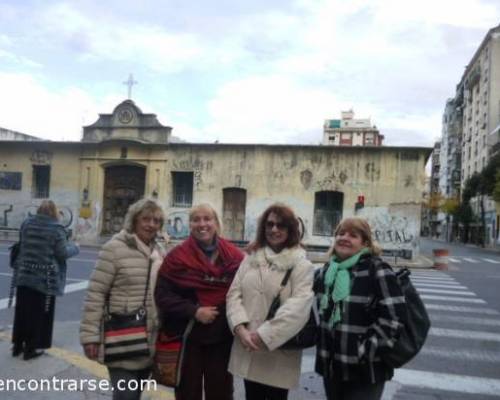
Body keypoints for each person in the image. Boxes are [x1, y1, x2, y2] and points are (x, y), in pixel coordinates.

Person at [155, 203, 244, 400]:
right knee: (188, 393)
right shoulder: (176, 257)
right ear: (190, 224)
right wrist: (194, 311)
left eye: (207, 219)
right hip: (187, 338)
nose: (202, 224)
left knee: (220, 393)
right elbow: (162, 296)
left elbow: (244, 293)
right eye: (196, 219)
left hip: (221, 339)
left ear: (216, 223)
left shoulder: (234, 257)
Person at [80, 198, 166, 400]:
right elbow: (96, 293)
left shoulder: (159, 252)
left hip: (149, 340)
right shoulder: (114, 248)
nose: (151, 224)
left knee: (135, 394)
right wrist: (90, 337)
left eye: (156, 221)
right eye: (146, 219)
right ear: (134, 220)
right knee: (125, 395)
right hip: (121, 336)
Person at [226, 203, 314, 400]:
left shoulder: (301, 264)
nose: (274, 229)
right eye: (270, 224)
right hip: (247, 345)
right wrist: (240, 328)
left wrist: (262, 335)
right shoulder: (250, 259)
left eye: (281, 225)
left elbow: (298, 308)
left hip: (277, 351)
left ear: (291, 230)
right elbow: (233, 294)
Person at [315, 217, 407, 400]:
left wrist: (363, 351)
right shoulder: (327, 271)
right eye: (341, 233)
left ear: (365, 242)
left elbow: (394, 320)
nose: (344, 238)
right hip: (332, 368)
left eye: (353, 235)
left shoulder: (377, 269)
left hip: (366, 371)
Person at [11, 200, 79, 360]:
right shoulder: (56, 229)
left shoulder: (27, 224)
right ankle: (31, 349)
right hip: (45, 280)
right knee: (39, 315)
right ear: (55, 212)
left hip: (24, 276)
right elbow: (62, 253)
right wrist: (76, 246)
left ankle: (17, 346)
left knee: (22, 313)